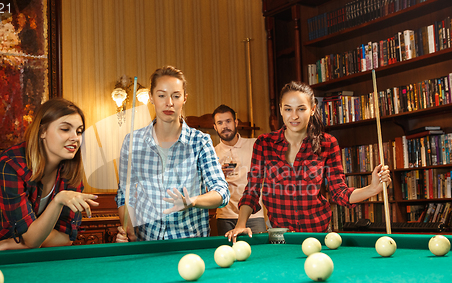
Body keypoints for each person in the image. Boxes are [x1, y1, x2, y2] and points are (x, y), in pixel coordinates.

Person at [226, 81, 392, 242]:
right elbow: (252, 191)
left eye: (301, 109)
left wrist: (372, 189)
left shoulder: (328, 143)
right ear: (281, 110)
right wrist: (241, 224)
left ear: (312, 109)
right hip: (280, 238)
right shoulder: (264, 144)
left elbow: (339, 193)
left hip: (319, 236)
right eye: (288, 109)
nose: (294, 116)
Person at [0, 99, 99, 253]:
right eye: (65, 129)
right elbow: (31, 239)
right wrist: (58, 202)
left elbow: (66, 237)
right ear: (42, 132)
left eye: (79, 131)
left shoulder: (71, 174)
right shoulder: (10, 164)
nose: (75, 137)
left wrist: (8, 244)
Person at [115, 65, 229, 242]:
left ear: (184, 98)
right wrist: (128, 228)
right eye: (161, 95)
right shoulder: (132, 142)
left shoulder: (200, 141)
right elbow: (124, 195)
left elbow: (221, 192)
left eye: (176, 96)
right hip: (147, 245)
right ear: (152, 98)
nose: (169, 102)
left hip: (190, 244)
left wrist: (192, 201)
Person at [212, 104, 267, 235]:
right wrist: (218, 177)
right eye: (220, 123)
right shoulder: (211, 153)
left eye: (228, 121)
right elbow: (207, 191)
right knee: (228, 254)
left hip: (255, 215)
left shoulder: (255, 145)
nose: (225, 126)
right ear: (215, 127)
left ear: (236, 122)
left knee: (260, 252)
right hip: (225, 216)